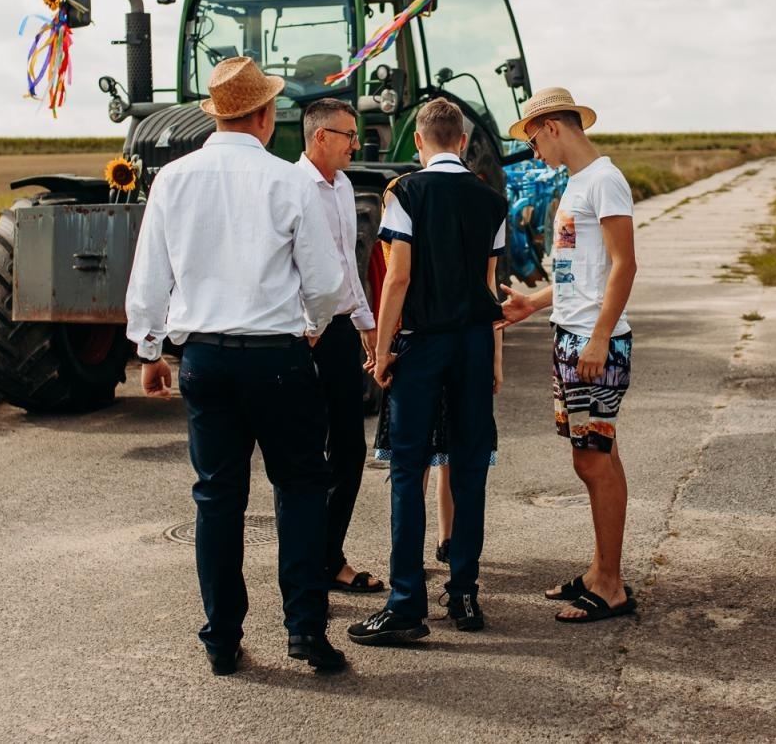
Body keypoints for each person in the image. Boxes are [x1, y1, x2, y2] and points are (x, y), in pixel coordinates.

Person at [125, 56, 349, 676]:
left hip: (203, 358)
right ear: (265, 114)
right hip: (277, 355)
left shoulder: (173, 179)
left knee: (217, 499)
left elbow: (150, 275)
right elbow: (326, 281)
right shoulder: (289, 180)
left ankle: (222, 639)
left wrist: (149, 350)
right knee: (301, 488)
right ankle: (305, 632)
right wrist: (307, 327)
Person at [347, 98, 506, 645]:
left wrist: (382, 350)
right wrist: (496, 358)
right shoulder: (490, 200)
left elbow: (397, 279)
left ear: (419, 141)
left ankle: (407, 602)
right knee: (469, 466)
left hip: (420, 344)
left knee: (407, 470)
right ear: (462, 141)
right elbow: (490, 287)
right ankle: (463, 592)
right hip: (472, 344)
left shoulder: (405, 193)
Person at [497, 87, 639, 624]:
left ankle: (610, 584)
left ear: (553, 127)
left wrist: (600, 336)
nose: (534, 151)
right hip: (572, 335)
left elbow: (624, 265)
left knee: (592, 459)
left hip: (591, 342)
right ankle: (604, 571)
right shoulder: (581, 183)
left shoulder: (604, 180)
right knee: (596, 456)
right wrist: (533, 302)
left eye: (534, 139)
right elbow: (582, 274)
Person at [295, 98, 387, 596]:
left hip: (336, 330)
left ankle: (329, 556)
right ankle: (310, 567)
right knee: (307, 453)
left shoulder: (346, 186)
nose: (358, 142)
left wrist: (365, 322)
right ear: (320, 137)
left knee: (350, 446)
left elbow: (347, 264)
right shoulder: (290, 187)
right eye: (349, 134)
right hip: (298, 333)